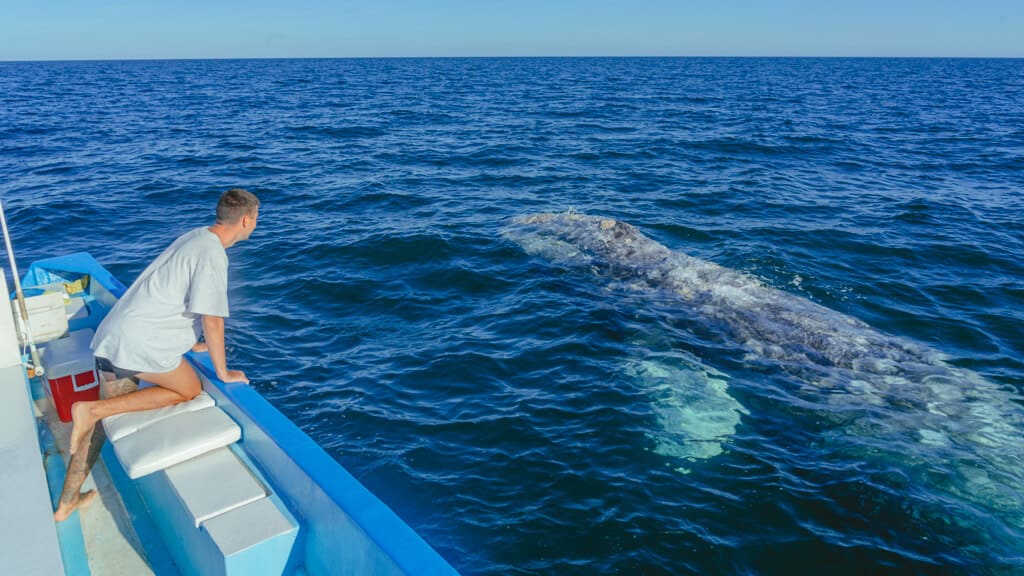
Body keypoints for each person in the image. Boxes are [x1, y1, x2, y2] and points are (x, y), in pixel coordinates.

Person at [53, 188, 259, 522]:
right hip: (139, 346)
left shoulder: (195, 237)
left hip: (116, 338)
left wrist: (190, 342)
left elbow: (169, 295)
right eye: (256, 220)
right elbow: (213, 319)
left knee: (100, 426)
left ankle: (66, 503)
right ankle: (92, 408)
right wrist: (223, 372)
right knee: (190, 389)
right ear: (247, 220)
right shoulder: (213, 256)